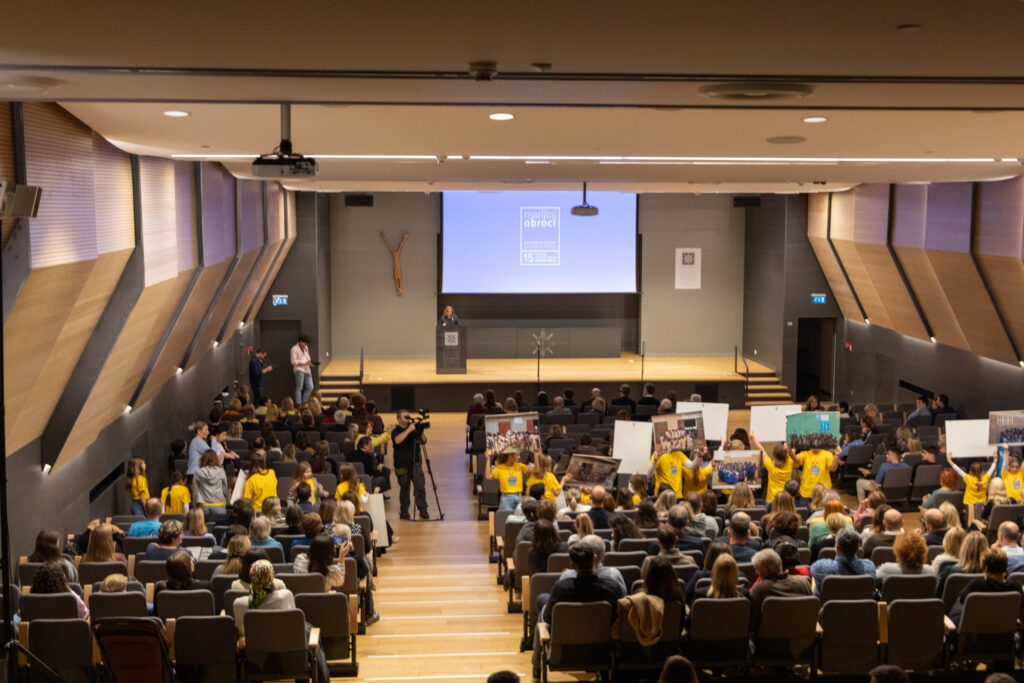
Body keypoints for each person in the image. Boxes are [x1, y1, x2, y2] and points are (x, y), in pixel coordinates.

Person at [532, 542, 626, 682]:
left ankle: (536, 669)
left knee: (543, 612)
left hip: (564, 653)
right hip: (601, 652)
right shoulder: (613, 588)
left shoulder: (561, 588)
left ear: (572, 565)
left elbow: (548, 618)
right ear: (595, 559)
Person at [948, 547, 1022, 625]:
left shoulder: (976, 586)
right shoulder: (1016, 589)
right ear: (1006, 566)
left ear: (986, 568)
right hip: (1005, 635)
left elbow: (962, 599)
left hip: (975, 632)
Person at [749, 548, 812, 627]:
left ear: (766, 570)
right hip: (802, 635)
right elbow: (810, 614)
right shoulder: (804, 582)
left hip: (768, 637)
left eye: (756, 569)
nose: (756, 572)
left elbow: (752, 623)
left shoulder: (759, 589)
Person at [809, 528, 876, 595]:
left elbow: (812, 570)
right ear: (858, 547)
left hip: (831, 605)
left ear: (837, 548)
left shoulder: (820, 567)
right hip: (861, 605)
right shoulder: (869, 566)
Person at [393, 409, 429, 520]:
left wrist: (420, 430)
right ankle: (404, 512)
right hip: (402, 464)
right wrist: (409, 429)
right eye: (405, 417)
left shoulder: (413, 429)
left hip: (416, 463)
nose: (408, 419)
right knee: (405, 489)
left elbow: (424, 441)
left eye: (409, 416)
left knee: (420, 487)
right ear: (399, 419)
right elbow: (397, 440)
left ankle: (423, 510)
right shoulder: (396, 430)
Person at [153, 550, 211, 615]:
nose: (193, 561)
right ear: (188, 567)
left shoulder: (160, 588)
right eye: (191, 560)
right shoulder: (205, 586)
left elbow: (156, 615)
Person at [751, 435, 794, 507]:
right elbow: (793, 450)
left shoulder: (771, 466)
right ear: (787, 455)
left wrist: (753, 439)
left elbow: (762, 450)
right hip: (785, 499)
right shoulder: (790, 462)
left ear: (775, 455)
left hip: (771, 500)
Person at [793, 436, 840, 502]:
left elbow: (833, 469)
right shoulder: (805, 454)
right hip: (806, 493)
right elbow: (795, 459)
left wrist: (836, 456)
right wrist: (790, 451)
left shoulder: (827, 454)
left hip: (823, 493)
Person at [193, 450, 228, 518]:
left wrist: (195, 508)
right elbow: (225, 490)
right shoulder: (221, 471)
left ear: (203, 460)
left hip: (203, 506)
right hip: (219, 505)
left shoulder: (198, 472)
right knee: (220, 528)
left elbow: (195, 492)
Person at [290, 335, 315, 405]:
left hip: (307, 369)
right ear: (301, 342)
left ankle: (304, 401)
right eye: (305, 343)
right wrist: (304, 363)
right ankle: (299, 404)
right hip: (299, 369)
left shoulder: (306, 348)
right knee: (299, 387)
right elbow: (293, 362)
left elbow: (308, 358)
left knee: (310, 387)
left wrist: (310, 363)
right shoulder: (294, 349)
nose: (306, 345)